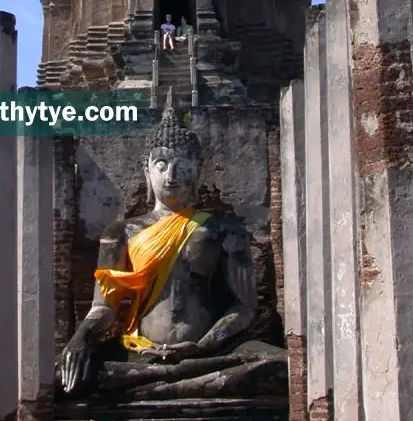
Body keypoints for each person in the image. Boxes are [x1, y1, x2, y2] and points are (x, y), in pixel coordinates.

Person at [58, 93, 287, 400]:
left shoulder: (222, 229)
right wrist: (81, 337)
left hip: (208, 352)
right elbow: (104, 307)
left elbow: (243, 308)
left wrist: (203, 345)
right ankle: (182, 382)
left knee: (281, 365)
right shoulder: (121, 232)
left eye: (183, 165)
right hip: (142, 353)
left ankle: (164, 383)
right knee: (62, 372)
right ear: (146, 169)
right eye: (162, 164)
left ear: (198, 168)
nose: (172, 176)